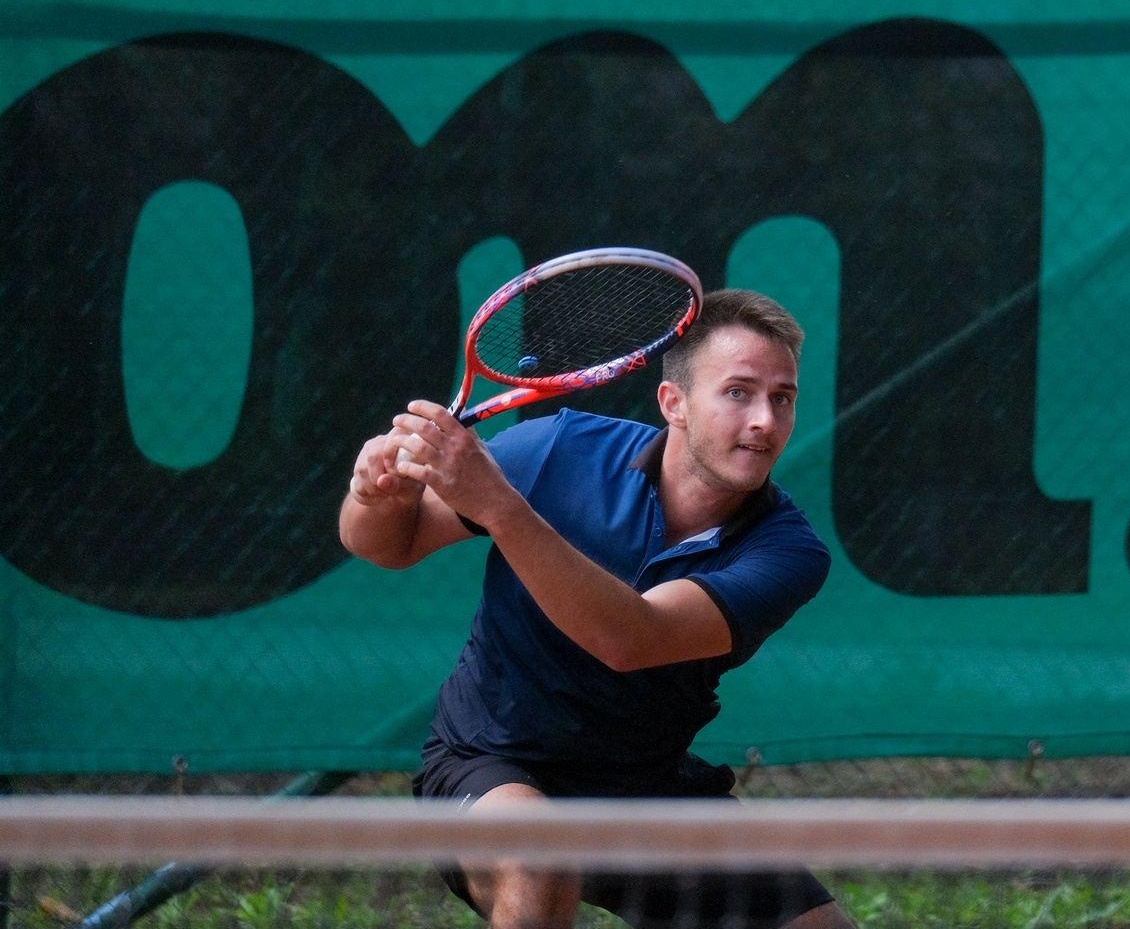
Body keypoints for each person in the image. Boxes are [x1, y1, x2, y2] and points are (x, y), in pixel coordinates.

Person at [339, 289, 856, 929]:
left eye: (782, 398)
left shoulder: (788, 552)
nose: (764, 421)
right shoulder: (556, 450)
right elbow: (388, 544)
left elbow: (630, 639)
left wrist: (500, 507)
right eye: (738, 392)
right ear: (674, 403)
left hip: (643, 784)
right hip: (490, 758)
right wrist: (375, 496)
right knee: (542, 861)